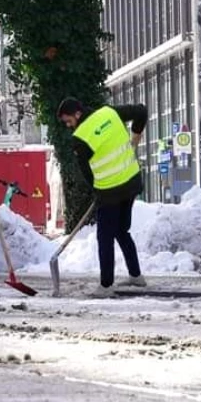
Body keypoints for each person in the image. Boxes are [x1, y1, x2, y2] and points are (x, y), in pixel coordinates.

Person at [57, 97, 148, 295]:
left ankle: (106, 286)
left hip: (110, 191)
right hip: (132, 181)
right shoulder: (109, 112)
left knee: (104, 236)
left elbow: (87, 174)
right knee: (122, 231)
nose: (68, 125)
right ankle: (136, 276)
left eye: (68, 121)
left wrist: (98, 192)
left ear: (78, 114)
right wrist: (135, 136)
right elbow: (141, 111)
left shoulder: (80, 137)